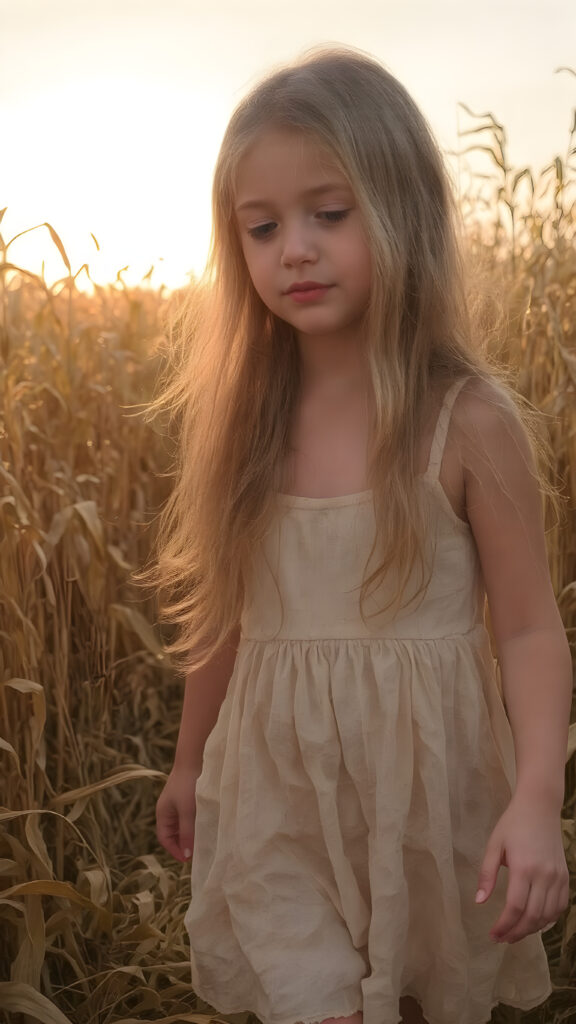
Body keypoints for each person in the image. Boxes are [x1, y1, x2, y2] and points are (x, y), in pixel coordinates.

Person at [149, 45, 572, 1024]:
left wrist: (537, 798)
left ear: (404, 212)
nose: (293, 247)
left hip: (427, 797)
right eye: (261, 227)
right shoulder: (243, 422)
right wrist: (187, 757)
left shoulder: (464, 420)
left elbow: (526, 630)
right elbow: (226, 614)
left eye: (328, 215)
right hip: (274, 798)